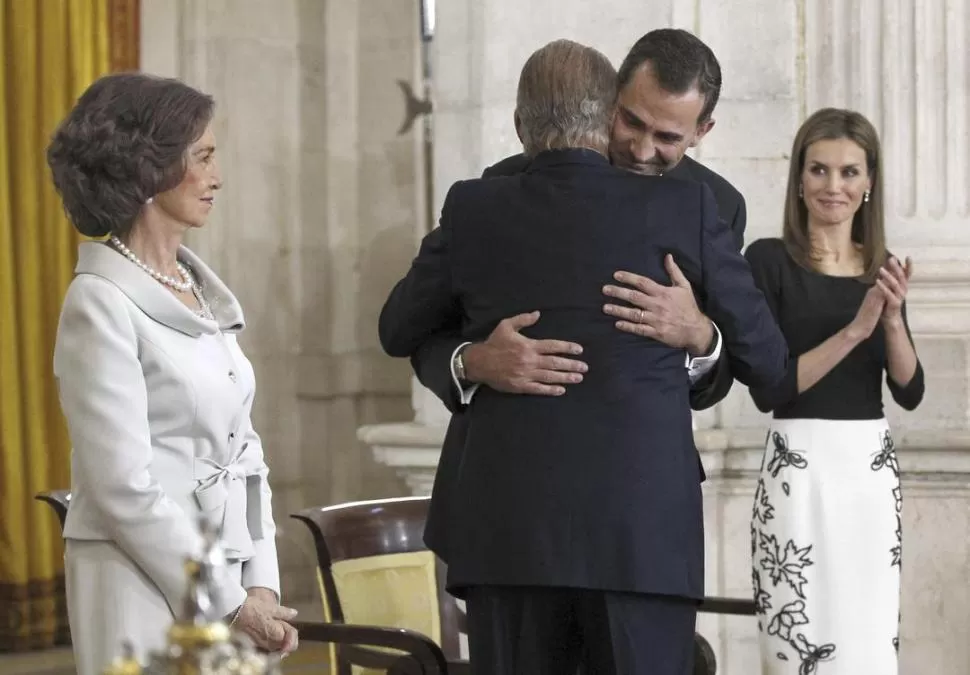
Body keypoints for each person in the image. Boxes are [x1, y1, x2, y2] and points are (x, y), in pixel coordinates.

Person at [379, 39, 788, 675]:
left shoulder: (711, 203)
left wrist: (699, 335)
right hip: (516, 526)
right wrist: (471, 361)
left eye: (668, 137)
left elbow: (739, 371)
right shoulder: (495, 191)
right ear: (608, 103)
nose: (643, 149)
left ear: (702, 131)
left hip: (636, 528)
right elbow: (415, 331)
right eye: (632, 122)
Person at [47, 73, 298, 674]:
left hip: (228, 578)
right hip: (140, 584)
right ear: (147, 167)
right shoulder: (98, 302)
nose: (217, 177)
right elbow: (121, 488)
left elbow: (245, 452)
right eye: (203, 157)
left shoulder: (200, 291)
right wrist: (228, 601)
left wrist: (260, 582)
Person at [744, 108, 924, 674]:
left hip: (867, 476)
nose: (833, 186)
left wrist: (890, 319)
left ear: (869, 182)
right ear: (799, 179)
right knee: (797, 645)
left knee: (865, 646)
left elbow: (911, 390)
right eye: (819, 170)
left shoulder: (883, 268)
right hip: (799, 471)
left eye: (849, 172)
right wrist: (854, 330)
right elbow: (772, 388)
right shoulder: (769, 261)